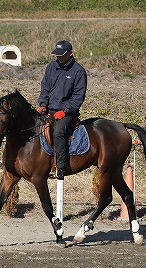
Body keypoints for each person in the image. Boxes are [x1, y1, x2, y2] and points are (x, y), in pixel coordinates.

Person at [38, 40, 87, 180]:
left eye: (61, 55)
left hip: (68, 112)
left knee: (58, 132)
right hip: (49, 109)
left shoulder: (78, 71)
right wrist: (43, 104)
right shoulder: (51, 67)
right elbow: (45, 88)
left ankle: (60, 167)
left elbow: (78, 97)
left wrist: (65, 111)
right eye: (57, 55)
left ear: (70, 54)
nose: (58, 57)